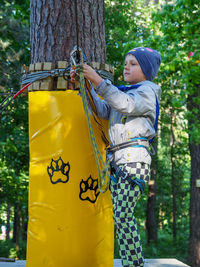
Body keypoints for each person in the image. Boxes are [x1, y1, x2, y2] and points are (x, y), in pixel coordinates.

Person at [71, 47, 161, 267]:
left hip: (134, 161)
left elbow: (125, 104)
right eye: (126, 62)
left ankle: (134, 263)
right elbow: (103, 110)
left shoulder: (146, 92)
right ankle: (133, 262)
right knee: (121, 215)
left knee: (122, 215)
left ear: (147, 70)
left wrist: (96, 79)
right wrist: (88, 85)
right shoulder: (126, 92)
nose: (126, 67)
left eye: (133, 63)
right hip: (120, 160)